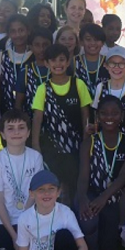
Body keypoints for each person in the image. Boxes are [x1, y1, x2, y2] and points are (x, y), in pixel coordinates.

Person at [76, 96, 125, 250]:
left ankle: (101, 239)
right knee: (87, 219)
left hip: (111, 197)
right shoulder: (89, 142)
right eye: (104, 113)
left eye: (114, 113)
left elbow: (122, 177)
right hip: (91, 193)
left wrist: (103, 198)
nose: (109, 117)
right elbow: (83, 177)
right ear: (97, 116)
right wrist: (82, 198)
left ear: (122, 116)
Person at [0, 110, 45, 250]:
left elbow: (36, 193)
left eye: (21, 127)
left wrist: (23, 228)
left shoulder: (35, 157)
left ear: (28, 132)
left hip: (28, 216)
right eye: (10, 128)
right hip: (3, 219)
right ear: (3, 134)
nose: (16, 132)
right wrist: (14, 236)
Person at [32, 44, 92, 203]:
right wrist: (36, 145)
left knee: (74, 187)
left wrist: (86, 142)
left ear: (68, 62)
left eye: (61, 60)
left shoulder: (78, 84)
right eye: (53, 60)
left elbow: (85, 114)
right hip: (52, 149)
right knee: (55, 187)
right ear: (46, 63)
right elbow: (37, 118)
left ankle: (74, 215)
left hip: (76, 147)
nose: (58, 64)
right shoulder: (42, 89)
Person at [0, 14, 33, 115]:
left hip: (31, 112)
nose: (18, 35)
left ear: (28, 31)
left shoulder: (35, 56)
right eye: (13, 31)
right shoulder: (2, 57)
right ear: (8, 34)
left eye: (21, 30)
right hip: (7, 113)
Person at [15, 28, 53, 120]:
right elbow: (18, 103)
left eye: (45, 45)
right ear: (31, 47)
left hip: (55, 121)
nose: (42, 49)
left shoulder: (58, 69)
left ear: (52, 45)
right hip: (32, 120)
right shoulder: (25, 71)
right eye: (37, 45)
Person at [75, 23, 110, 97]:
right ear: (81, 41)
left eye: (96, 40)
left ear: (102, 43)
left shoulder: (109, 63)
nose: (93, 43)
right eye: (88, 39)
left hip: (104, 103)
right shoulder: (73, 62)